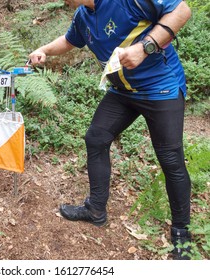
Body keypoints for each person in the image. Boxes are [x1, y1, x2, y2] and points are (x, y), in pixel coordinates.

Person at [29, 0, 192, 260]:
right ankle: (95, 210)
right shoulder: (83, 16)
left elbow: (182, 10)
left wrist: (145, 47)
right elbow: (70, 41)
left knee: (170, 159)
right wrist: (44, 49)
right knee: (96, 138)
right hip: (123, 92)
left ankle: (182, 235)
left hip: (161, 88)